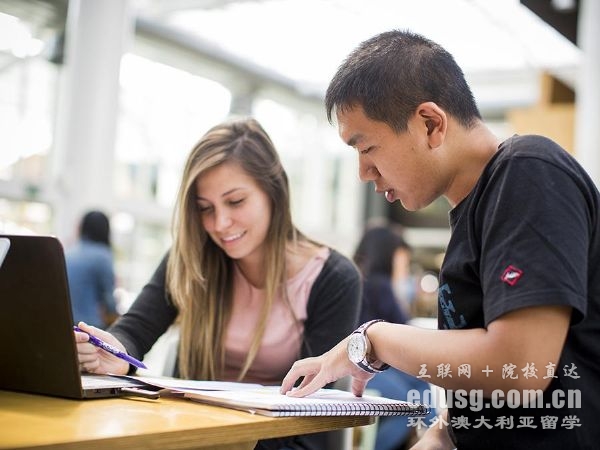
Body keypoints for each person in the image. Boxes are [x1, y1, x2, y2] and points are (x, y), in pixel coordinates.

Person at [280, 30, 600, 450]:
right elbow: (471, 413)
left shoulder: (528, 170)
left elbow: (523, 367)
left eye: (367, 148)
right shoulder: (476, 212)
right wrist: (441, 433)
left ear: (430, 124)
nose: (363, 173)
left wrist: (375, 339)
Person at [74, 117, 362, 450]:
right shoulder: (190, 257)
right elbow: (135, 331)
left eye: (235, 201)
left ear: (274, 191)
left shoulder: (333, 279)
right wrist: (117, 352)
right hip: (189, 438)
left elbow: (312, 420)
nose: (220, 224)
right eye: (205, 208)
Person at [353, 224, 435, 450]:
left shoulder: (358, 280)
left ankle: (430, 436)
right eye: (403, 261)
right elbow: (403, 329)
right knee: (408, 406)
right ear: (389, 256)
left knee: (420, 388)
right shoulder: (380, 286)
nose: (405, 267)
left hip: (362, 366)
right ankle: (432, 438)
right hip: (366, 369)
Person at [65, 210, 119, 329]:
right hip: (89, 325)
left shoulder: (69, 252)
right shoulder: (102, 255)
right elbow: (108, 296)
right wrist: (115, 317)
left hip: (66, 322)